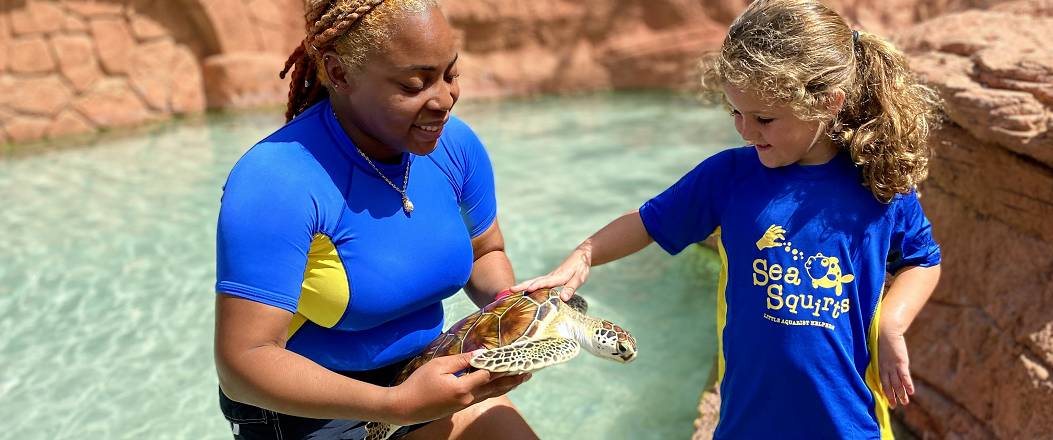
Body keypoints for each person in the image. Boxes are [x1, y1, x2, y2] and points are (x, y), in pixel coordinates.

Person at [512, 0, 943, 438]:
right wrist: (585, 254)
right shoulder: (729, 177)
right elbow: (646, 221)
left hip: (848, 424)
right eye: (735, 112)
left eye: (764, 118)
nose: (744, 130)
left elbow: (923, 260)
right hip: (747, 424)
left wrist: (892, 323)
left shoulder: (877, 183)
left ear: (828, 103)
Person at [213, 1, 538, 439]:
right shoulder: (276, 180)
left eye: (450, 74)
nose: (443, 100)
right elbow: (243, 361)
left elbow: (486, 251)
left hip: (426, 373)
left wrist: (512, 310)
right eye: (414, 83)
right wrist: (395, 405)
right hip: (307, 408)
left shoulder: (454, 147)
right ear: (340, 73)